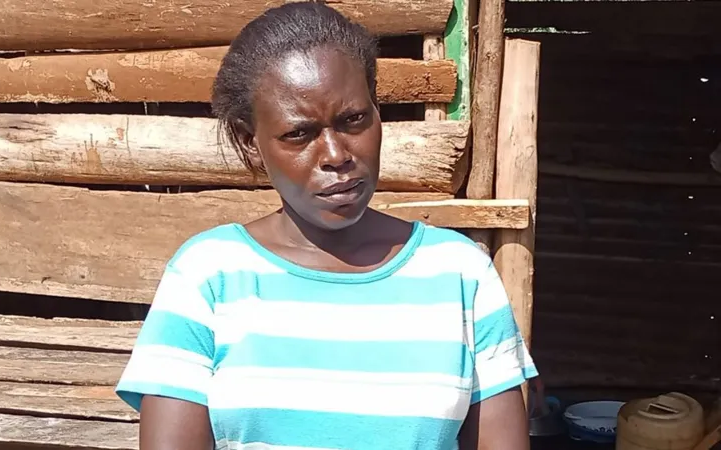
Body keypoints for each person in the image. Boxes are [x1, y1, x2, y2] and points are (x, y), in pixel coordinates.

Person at [115, 2, 538, 449]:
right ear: (250, 142)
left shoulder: (460, 276)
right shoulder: (208, 276)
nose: (336, 154)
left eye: (353, 119)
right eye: (299, 134)